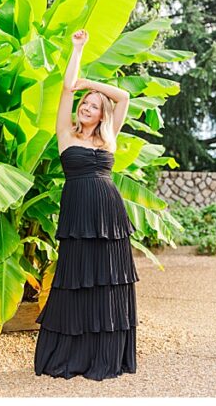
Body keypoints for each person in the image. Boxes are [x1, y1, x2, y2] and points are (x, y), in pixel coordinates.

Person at [34, 29, 138, 380]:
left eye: (93, 105)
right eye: (85, 103)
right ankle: (71, 353)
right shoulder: (66, 133)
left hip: (109, 213)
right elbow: (67, 88)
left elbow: (122, 96)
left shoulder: (110, 136)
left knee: (108, 279)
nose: (85, 106)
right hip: (79, 213)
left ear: (101, 114)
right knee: (76, 278)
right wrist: (77, 50)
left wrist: (93, 84)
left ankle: (106, 353)